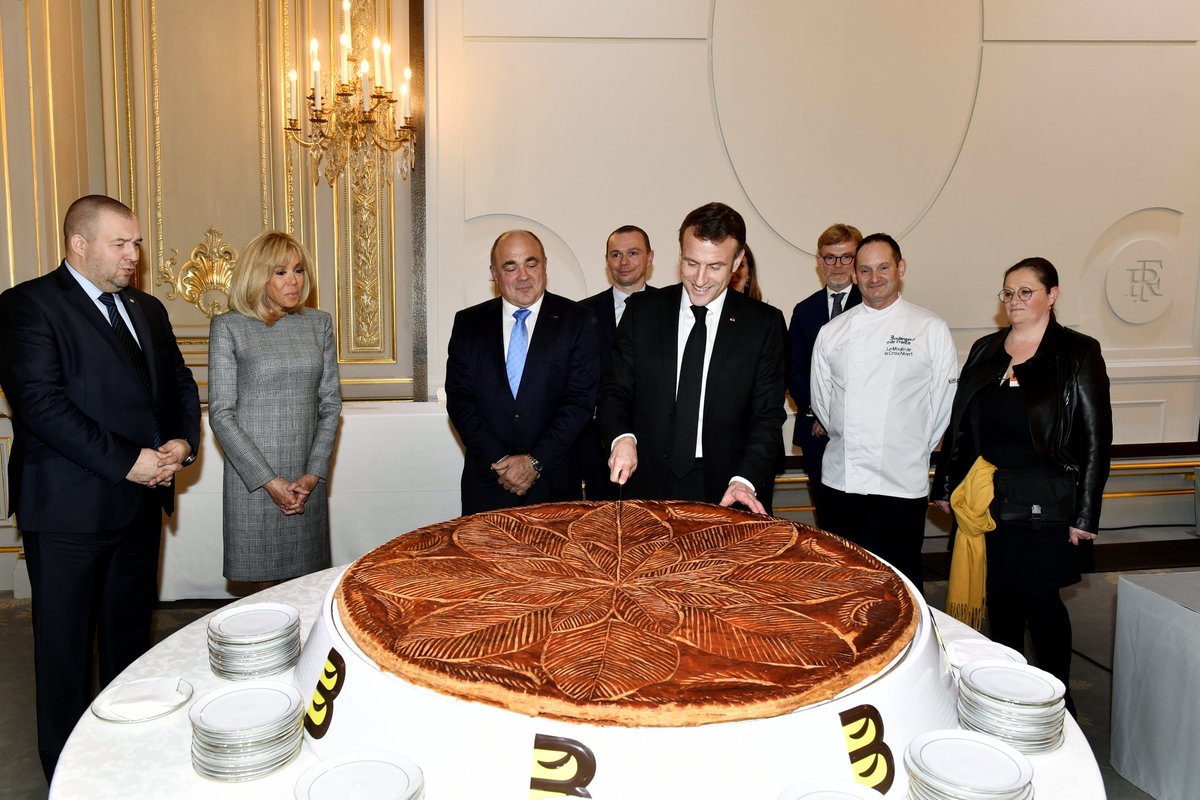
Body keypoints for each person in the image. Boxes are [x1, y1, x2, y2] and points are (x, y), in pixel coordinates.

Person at [0, 195, 201, 780]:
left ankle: (125, 761)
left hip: (138, 507)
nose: (134, 255)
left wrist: (181, 443)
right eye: (121, 244)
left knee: (130, 646)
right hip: (66, 514)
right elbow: (41, 406)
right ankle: (69, 774)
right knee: (63, 656)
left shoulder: (148, 308)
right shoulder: (26, 307)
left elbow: (181, 385)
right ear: (78, 245)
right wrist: (128, 462)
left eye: (136, 242)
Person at [932, 257, 1111, 715]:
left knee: (1041, 602)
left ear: (1052, 295)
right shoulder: (986, 349)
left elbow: (1095, 437)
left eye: (1025, 291)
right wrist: (946, 485)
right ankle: (1008, 693)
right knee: (1000, 600)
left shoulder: (1076, 352)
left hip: (1045, 506)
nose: (1014, 301)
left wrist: (1085, 514)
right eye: (1008, 293)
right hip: (987, 499)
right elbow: (960, 427)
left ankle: (1056, 699)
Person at [597, 202, 787, 514]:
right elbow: (615, 390)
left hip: (727, 488)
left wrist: (745, 479)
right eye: (690, 263)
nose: (699, 279)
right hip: (645, 480)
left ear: (738, 261)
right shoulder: (642, 312)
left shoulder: (762, 324)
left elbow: (766, 416)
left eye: (714, 267)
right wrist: (622, 438)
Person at [810, 233, 957, 589]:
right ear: (855, 276)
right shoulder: (833, 332)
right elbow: (822, 402)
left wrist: (909, 444)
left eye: (883, 267)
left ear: (900, 268)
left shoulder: (930, 329)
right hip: (843, 480)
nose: (874, 277)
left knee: (902, 578)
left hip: (901, 481)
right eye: (865, 269)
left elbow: (942, 405)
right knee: (847, 578)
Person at [207, 231, 341, 587]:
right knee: (262, 600)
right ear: (257, 275)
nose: (294, 280)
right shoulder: (229, 326)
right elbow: (221, 414)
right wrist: (270, 481)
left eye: (298, 270)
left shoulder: (318, 323)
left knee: (307, 593)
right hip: (253, 480)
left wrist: (312, 475)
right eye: (280, 272)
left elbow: (330, 405)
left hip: (305, 481)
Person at [446, 230, 602, 515]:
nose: (523, 276)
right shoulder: (468, 323)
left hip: (554, 484)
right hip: (489, 482)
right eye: (510, 266)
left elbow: (580, 401)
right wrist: (501, 461)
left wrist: (534, 462)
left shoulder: (577, 320)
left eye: (531, 264)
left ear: (545, 265)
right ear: (494, 273)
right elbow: (459, 399)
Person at [787, 224, 862, 525]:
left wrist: (836, 416)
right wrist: (819, 413)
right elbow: (794, 371)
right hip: (815, 431)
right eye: (830, 258)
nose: (838, 265)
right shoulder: (804, 310)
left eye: (846, 257)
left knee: (861, 519)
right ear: (819, 261)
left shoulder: (873, 306)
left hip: (861, 435)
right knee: (828, 518)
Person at [579, 225, 657, 499]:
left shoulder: (670, 309)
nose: (623, 262)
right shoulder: (580, 314)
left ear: (650, 257)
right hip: (598, 449)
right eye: (616, 255)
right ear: (606, 261)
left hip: (657, 448)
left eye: (633, 253)